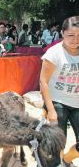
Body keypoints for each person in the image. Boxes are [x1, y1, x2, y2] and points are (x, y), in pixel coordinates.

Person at [40, 16, 79, 166]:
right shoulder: (53, 53)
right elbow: (43, 81)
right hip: (57, 103)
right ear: (62, 33)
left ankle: (67, 159)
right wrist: (50, 110)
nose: (75, 40)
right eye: (71, 35)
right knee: (55, 145)